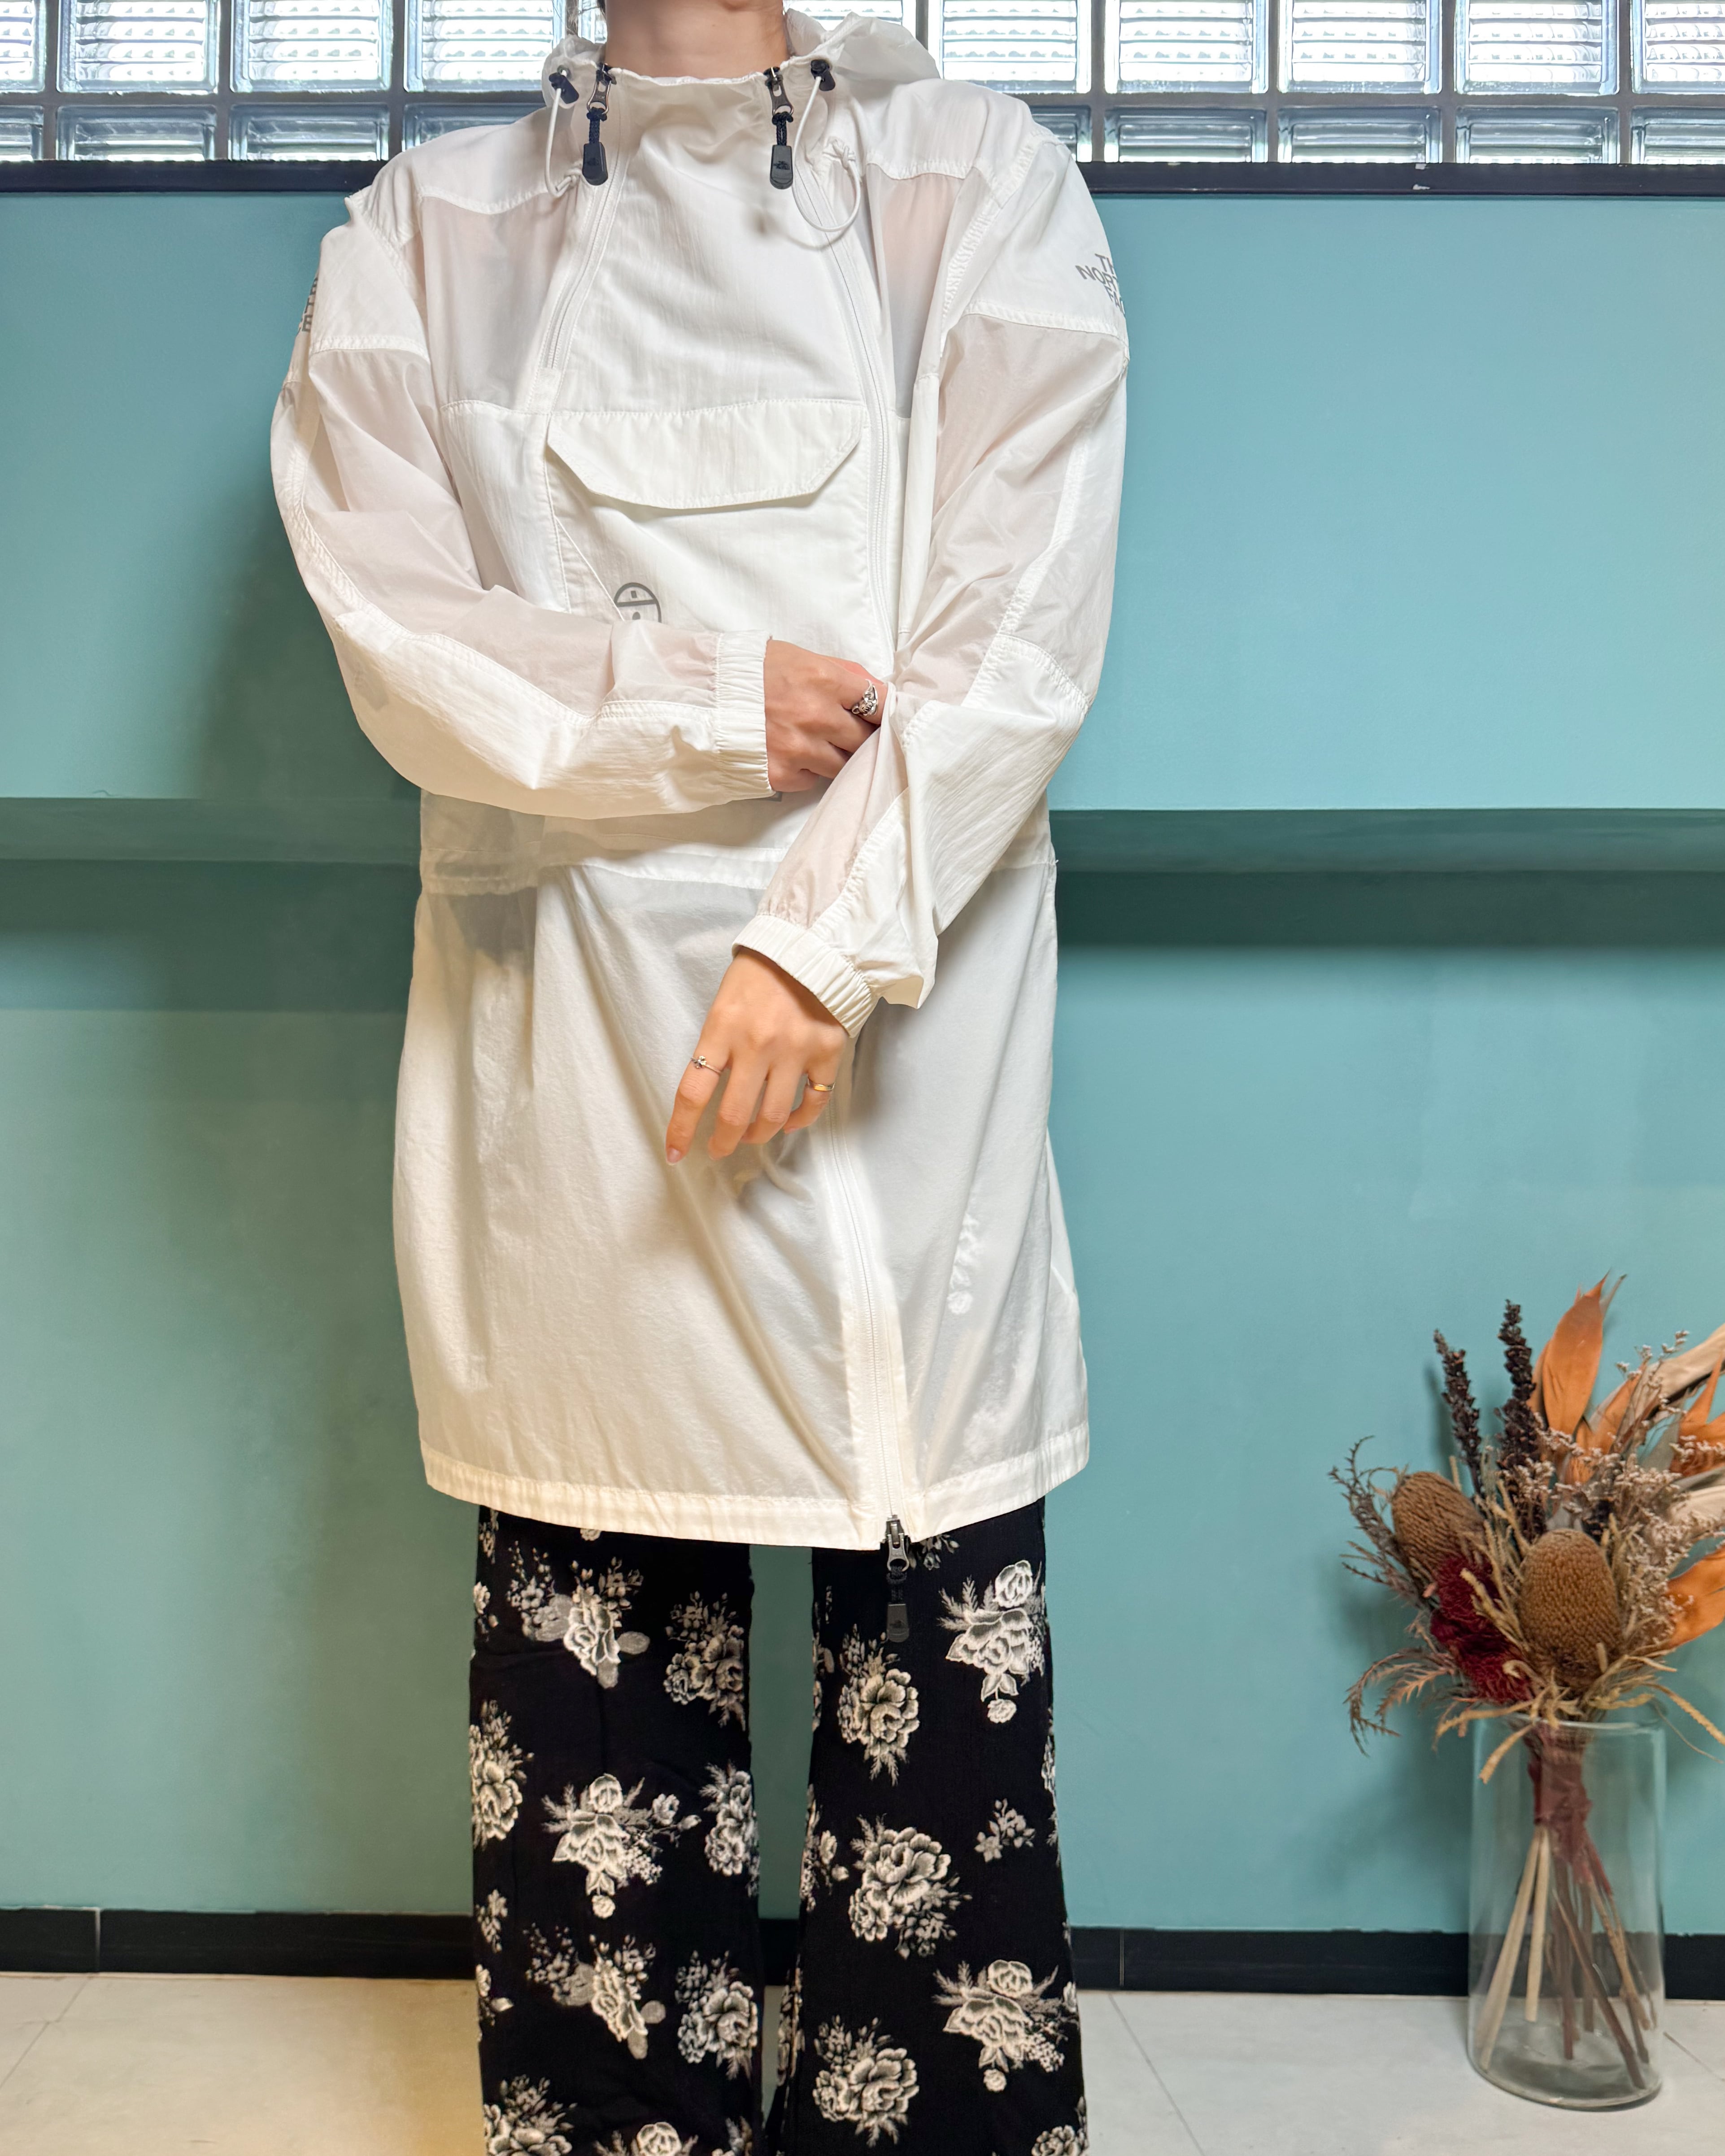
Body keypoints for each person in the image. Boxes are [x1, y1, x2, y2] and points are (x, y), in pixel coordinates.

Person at [271, 3, 1128, 2149]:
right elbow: (402, 629)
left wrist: (817, 944)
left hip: (895, 1033)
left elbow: (1011, 636)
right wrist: (697, 701)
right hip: (573, 1046)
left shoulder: (969, 182)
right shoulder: (423, 228)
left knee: (927, 1689)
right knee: (594, 1721)